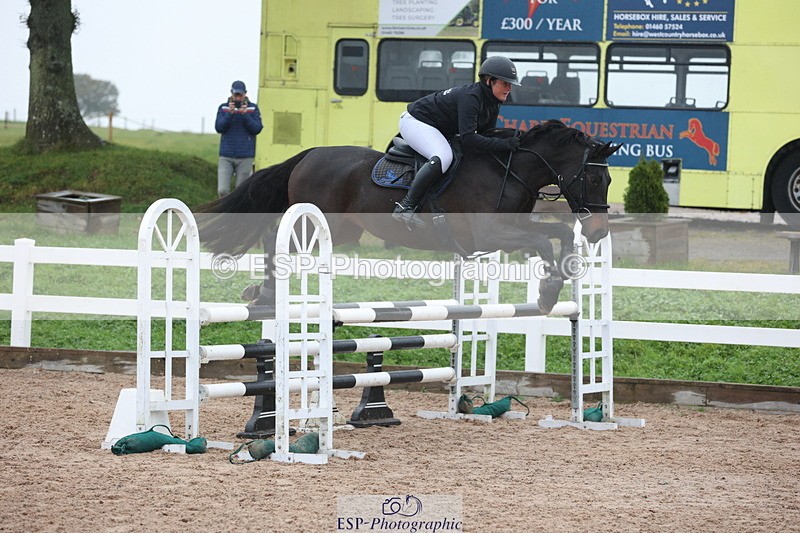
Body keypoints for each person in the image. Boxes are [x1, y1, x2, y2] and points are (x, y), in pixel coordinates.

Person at [392, 56, 522, 228]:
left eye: (510, 84)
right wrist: (504, 145)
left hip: (437, 128)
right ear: (489, 80)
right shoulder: (472, 97)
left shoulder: (493, 102)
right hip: (415, 122)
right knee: (443, 156)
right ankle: (405, 206)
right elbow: (469, 138)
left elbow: (486, 136)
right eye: (505, 83)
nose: (509, 88)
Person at [215, 80, 263, 197]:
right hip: (226, 155)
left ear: (245, 94)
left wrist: (245, 115)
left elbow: (257, 128)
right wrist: (229, 114)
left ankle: (237, 215)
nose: (237, 98)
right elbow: (219, 127)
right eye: (236, 95)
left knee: (240, 192)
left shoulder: (253, 109)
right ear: (231, 93)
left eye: (240, 95)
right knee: (222, 190)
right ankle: (224, 211)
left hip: (245, 156)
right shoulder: (223, 108)